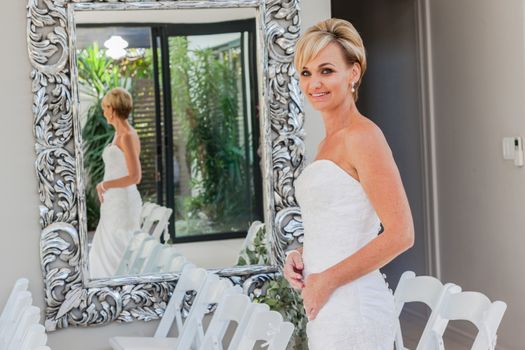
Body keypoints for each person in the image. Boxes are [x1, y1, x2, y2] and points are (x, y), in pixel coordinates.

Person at [283, 18, 414, 349]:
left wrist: (326, 281)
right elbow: (341, 224)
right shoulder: (328, 143)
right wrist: (302, 255)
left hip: (354, 309)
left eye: (327, 70)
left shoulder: (363, 137)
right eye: (306, 72)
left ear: (353, 73)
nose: (314, 83)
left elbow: (401, 235)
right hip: (328, 306)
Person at [89, 87, 143, 278]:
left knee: (118, 248)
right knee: (107, 247)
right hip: (114, 202)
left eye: (105, 107)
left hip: (123, 203)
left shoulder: (127, 136)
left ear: (112, 109)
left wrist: (105, 185)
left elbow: (135, 177)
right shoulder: (118, 134)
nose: (103, 112)